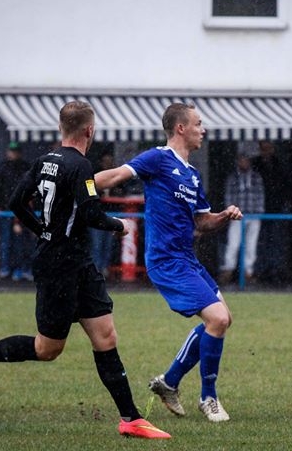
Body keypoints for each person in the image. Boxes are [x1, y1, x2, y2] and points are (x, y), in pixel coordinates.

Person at [0, 101, 170, 439]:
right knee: (47, 349)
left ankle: (131, 419)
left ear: (61, 127)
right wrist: (119, 225)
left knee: (105, 336)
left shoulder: (44, 161)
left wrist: (42, 231)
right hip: (58, 266)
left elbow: (16, 202)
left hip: (77, 262)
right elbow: (91, 214)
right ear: (89, 131)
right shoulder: (80, 165)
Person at [94, 103, 243, 422]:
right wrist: (80, 185)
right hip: (166, 260)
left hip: (186, 258)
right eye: (198, 124)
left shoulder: (192, 175)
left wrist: (224, 216)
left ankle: (169, 382)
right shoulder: (158, 158)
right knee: (217, 319)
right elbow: (117, 175)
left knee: (223, 319)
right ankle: (208, 398)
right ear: (180, 128)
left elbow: (202, 222)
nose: (203, 129)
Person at [219, 153, 264, 284]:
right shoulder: (233, 177)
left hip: (254, 215)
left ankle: (248, 272)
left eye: (246, 160)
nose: (244, 163)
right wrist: (231, 212)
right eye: (241, 160)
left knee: (251, 245)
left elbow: (260, 195)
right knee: (233, 244)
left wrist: (259, 212)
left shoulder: (255, 177)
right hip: (237, 216)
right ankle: (228, 270)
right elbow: (228, 197)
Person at [0, 141, 32, 280]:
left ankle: (22, 268)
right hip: (6, 210)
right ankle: (6, 267)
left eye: (16, 151)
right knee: (6, 240)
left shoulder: (25, 168)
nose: (14, 154)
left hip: (22, 210)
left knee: (22, 242)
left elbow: (31, 189)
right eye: (12, 151)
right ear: (8, 152)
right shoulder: (2, 168)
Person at [252, 140, 291, 283]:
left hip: (277, 208)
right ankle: (261, 271)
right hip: (260, 209)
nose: (266, 151)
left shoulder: (279, 164)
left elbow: (285, 184)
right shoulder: (256, 164)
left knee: (277, 241)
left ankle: (276, 271)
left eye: (268, 148)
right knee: (260, 241)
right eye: (264, 148)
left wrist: (284, 202)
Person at [89, 150, 120, 278]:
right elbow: (90, 191)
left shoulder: (116, 175)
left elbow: (121, 191)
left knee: (108, 244)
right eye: (106, 161)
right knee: (97, 244)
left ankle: (104, 268)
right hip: (98, 214)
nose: (108, 163)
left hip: (110, 214)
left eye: (110, 161)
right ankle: (96, 268)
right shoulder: (94, 174)